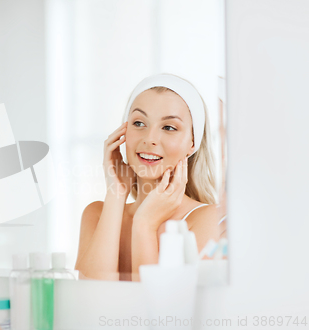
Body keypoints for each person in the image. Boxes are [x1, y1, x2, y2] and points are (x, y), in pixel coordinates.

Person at [75, 73, 222, 281]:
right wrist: (116, 194)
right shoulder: (96, 214)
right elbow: (88, 304)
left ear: (193, 143)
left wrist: (145, 224)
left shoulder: (206, 220)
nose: (150, 139)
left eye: (169, 127)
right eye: (139, 123)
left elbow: (157, 312)